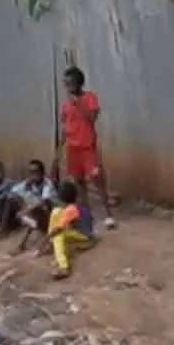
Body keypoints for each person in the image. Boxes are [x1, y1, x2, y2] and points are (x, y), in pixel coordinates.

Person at [57, 66, 116, 230]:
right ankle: (88, 214)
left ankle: (108, 214)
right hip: (72, 148)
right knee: (79, 182)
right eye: (66, 83)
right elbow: (64, 128)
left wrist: (79, 104)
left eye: (71, 83)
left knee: (97, 180)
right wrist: (59, 150)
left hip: (87, 146)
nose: (68, 87)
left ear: (79, 83)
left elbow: (92, 117)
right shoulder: (65, 105)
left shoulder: (89, 98)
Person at [0, 159, 56, 250]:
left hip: (47, 216)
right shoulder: (28, 183)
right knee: (11, 198)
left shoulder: (47, 184)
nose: (33, 175)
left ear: (42, 172)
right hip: (31, 212)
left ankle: (28, 239)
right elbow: (12, 192)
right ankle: (4, 228)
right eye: (30, 172)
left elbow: (43, 202)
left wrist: (25, 210)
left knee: (40, 206)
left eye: (35, 172)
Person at [46, 180, 89, 279]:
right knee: (57, 213)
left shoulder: (69, 210)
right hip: (86, 232)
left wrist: (48, 236)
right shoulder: (77, 205)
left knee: (57, 236)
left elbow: (59, 228)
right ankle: (54, 248)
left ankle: (64, 267)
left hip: (84, 235)